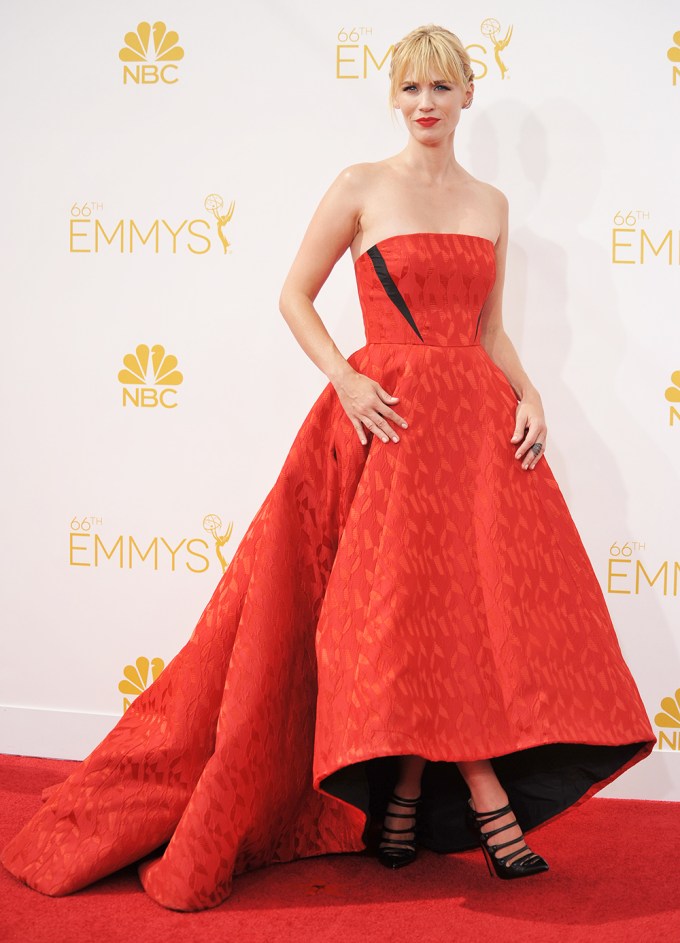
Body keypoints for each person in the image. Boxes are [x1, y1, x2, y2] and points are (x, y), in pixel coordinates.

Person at [2, 23, 655, 910]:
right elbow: (293, 295)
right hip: (387, 424)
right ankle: (490, 806)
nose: (426, 104)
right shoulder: (360, 186)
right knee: (404, 615)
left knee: (465, 608)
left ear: (469, 96)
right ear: (395, 97)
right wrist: (347, 378)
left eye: (442, 88)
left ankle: (405, 801)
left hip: (476, 429)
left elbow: (489, 329)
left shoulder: (491, 203)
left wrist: (531, 393)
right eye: (411, 88)